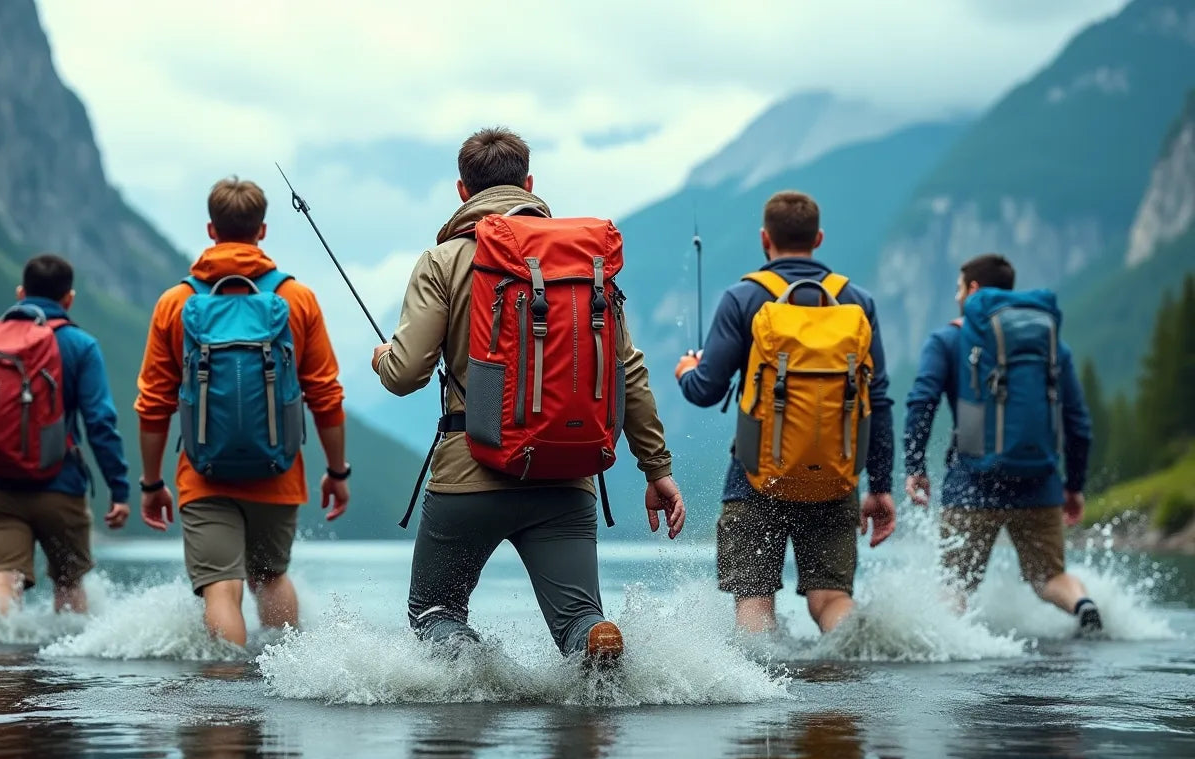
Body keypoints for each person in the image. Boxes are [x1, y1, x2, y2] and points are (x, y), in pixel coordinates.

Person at [372, 126, 686, 664]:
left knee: (434, 612)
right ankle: (593, 636)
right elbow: (626, 368)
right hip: (566, 475)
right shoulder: (586, 264)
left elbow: (405, 375)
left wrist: (383, 357)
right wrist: (657, 470)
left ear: (462, 192)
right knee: (578, 619)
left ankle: (480, 676)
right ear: (530, 184)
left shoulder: (443, 261)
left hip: (470, 471)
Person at [134, 176, 351, 647]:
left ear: (212, 230)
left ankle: (225, 697)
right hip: (278, 470)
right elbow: (325, 395)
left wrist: (152, 483)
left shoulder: (178, 302)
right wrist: (337, 471)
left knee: (221, 588)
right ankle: (288, 679)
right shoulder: (297, 299)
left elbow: (153, 403)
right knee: (271, 577)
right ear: (263, 230)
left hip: (203, 473)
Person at [674, 191, 896, 634]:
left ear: (764, 239)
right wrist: (880, 485)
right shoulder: (856, 301)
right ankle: (857, 667)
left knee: (754, 599)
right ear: (818, 238)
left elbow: (705, 390)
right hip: (836, 476)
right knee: (831, 598)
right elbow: (880, 400)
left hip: (754, 475)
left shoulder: (742, 298)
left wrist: (687, 370)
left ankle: (760, 695)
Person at [904, 253, 1102, 634]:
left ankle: (949, 645)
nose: (956, 295)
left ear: (973, 289)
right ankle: (1082, 604)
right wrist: (1073, 485)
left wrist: (916, 467)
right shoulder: (1051, 346)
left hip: (971, 484)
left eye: (959, 288)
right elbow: (1078, 423)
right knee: (1050, 578)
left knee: (956, 585)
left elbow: (921, 403)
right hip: (1039, 481)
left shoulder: (947, 339)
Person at [0, 254, 131, 615]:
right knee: (69, 583)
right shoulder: (80, 345)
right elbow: (100, 423)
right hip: (62, 487)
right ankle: (68, 664)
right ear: (69, 299)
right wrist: (118, 490)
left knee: (3, 578)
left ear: (20, 292)